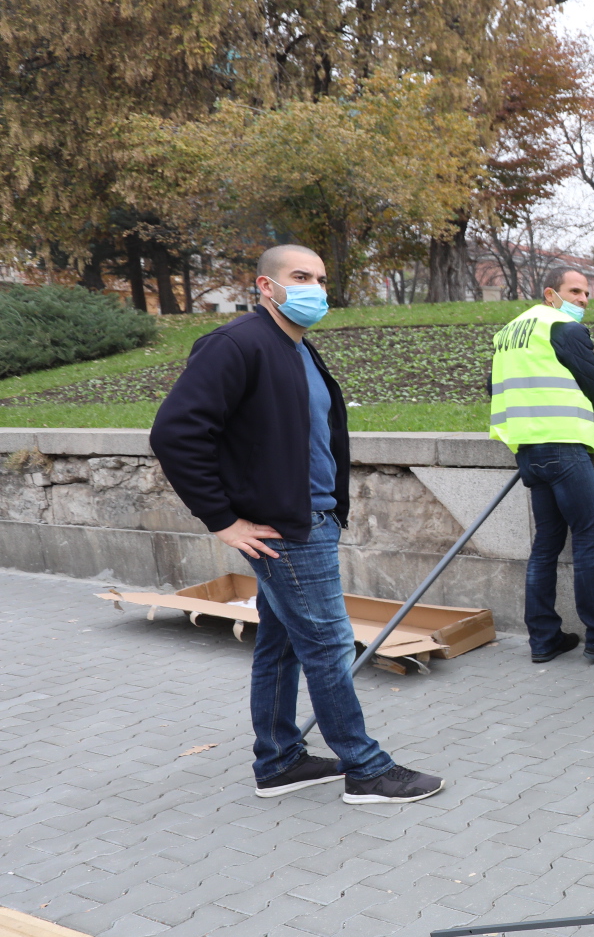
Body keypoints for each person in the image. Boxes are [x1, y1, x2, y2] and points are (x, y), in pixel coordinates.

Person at [150, 245, 443, 804]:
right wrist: (223, 521)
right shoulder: (237, 344)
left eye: (321, 278)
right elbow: (175, 434)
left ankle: (280, 760)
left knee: (281, 643)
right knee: (329, 643)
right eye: (300, 277)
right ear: (266, 285)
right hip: (285, 527)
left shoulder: (297, 348)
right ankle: (366, 769)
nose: (314, 288)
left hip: (311, 517)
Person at [489, 265, 594, 666]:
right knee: (588, 538)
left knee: (546, 543)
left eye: (586, 293)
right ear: (550, 293)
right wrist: (592, 407)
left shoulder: (508, 332)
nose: (582, 300)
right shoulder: (562, 327)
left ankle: (543, 639)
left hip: (527, 447)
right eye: (575, 291)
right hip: (563, 444)